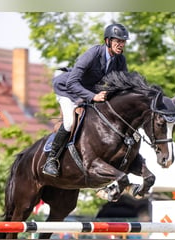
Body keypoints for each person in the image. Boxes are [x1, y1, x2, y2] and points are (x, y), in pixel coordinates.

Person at [42, 23, 130, 177]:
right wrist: (93, 97)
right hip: (67, 89)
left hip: (88, 92)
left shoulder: (120, 60)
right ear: (107, 40)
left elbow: (123, 84)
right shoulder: (93, 54)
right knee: (69, 122)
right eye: (118, 41)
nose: (121, 45)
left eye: (123, 42)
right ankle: (51, 159)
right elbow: (72, 83)